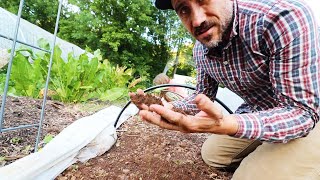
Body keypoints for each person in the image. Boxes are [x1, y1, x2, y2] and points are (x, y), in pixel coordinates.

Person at [129, 0, 320, 179]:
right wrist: (171, 107)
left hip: (311, 112)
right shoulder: (200, 50)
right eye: (184, 9)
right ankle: (273, 145)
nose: (197, 20)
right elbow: (202, 95)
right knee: (212, 155)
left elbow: (302, 112)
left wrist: (229, 124)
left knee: (248, 176)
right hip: (263, 111)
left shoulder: (279, 18)